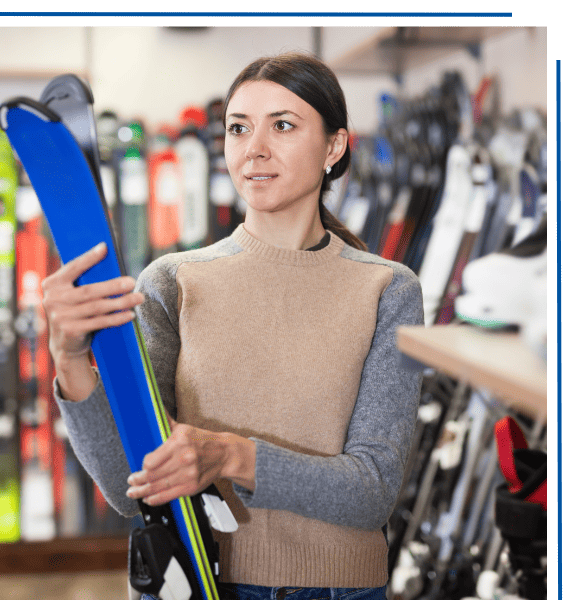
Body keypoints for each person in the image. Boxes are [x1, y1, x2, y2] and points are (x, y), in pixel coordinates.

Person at [43, 51, 424, 600]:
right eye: (238, 128)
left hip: (337, 590)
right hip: (194, 578)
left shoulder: (388, 289)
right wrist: (71, 359)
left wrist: (229, 455)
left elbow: (371, 492)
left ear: (335, 147)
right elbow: (131, 489)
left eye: (284, 126)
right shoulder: (173, 281)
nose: (255, 149)